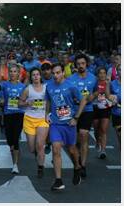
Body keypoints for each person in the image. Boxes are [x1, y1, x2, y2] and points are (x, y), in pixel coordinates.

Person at [45, 63, 88, 191]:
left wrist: (76, 118)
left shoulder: (71, 86)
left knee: (72, 150)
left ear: (63, 72)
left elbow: (83, 101)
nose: (55, 75)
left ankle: (77, 166)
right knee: (56, 148)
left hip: (69, 124)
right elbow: (48, 101)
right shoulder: (49, 86)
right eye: (53, 73)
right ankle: (59, 180)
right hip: (55, 124)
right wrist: (46, 114)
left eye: (58, 72)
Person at [67, 53, 97, 179]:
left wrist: (93, 96)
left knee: (84, 135)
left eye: (83, 63)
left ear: (87, 64)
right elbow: (67, 94)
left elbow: (97, 90)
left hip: (87, 110)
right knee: (74, 141)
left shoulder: (93, 78)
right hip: (74, 112)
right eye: (78, 64)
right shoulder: (70, 79)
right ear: (75, 65)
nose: (81, 66)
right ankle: (77, 161)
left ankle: (82, 165)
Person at [19, 68, 49, 178]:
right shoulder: (28, 89)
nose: (36, 76)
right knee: (32, 148)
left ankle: (40, 167)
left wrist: (48, 114)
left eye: (37, 74)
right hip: (29, 119)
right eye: (33, 75)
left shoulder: (46, 88)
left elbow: (51, 101)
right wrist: (27, 102)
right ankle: (38, 153)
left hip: (42, 119)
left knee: (40, 145)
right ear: (31, 77)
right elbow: (19, 103)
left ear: (40, 76)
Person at [0, 63, 26, 174]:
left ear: (19, 74)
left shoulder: (22, 87)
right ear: (8, 73)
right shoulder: (4, 85)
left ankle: (15, 165)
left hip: (19, 114)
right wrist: (1, 101)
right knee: (9, 140)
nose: (12, 73)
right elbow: (0, 97)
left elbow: (25, 101)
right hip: (7, 114)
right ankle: (13, 147)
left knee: (15, 139)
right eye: (11, 71)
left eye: (15, 71)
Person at [92, 66, 112, 159]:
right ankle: (97, 141)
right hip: (95, 107)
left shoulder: (109, 83)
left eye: (104, 73)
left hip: (105, 108)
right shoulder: (94, 83)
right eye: (100, 73)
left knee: (103, 129)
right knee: (96, 128)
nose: (102, 75)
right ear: (97, 75)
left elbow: (110, 95)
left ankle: (103, 150)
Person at [108, 64, 121, 149]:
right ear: (117, 71)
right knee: (120, 137)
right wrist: (111, 100)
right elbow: (107, 96)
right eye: (120, 69)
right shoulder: (112, 84)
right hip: (117, 113)